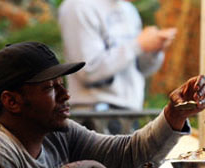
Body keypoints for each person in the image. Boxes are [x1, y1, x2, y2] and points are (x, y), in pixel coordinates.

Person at [0, 41, 205, 168]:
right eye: (50, 87)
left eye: (62, 84)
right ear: (12, 101)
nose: (66, 95)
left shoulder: (61, 134)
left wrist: (175, 114)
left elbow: (129, 155)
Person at [58, 0, 177, 132]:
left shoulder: (128, 9)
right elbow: (87, 70)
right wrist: (138, 45)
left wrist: (154, 49)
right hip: (94, 116)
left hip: (129, 115)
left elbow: (141, 69)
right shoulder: (78, 6)